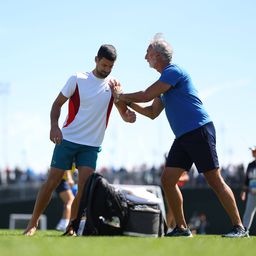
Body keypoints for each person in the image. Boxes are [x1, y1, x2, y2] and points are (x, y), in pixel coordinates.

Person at [110, 33, 248, 237]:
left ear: (157, 55)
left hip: (199, 130)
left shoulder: (173, 72)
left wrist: (121, 96)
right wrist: (127, 101)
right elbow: (151, 112)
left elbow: (147, 94)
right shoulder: (164, 83)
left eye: (148, 53)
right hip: (184, 137)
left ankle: (239, 228)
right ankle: (182, 228)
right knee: (167, 180)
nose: (145, 57)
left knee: (214, 180)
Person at [23, 44, 136, 236]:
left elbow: (123, 113)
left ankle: (72, 227)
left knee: (84, 187)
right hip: (68, 139)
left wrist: (129, 116)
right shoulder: (77, 78)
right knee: (51, 182)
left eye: (110, 67)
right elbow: (57, 104)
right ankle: (32, 225)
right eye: (104, 65)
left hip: (92, 145)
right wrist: (54, 126)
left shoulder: (115, 85)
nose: (106, 70)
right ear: (96, 60)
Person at [55, 165, 77, 231]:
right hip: (61, 181)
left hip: (61, 181)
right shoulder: (72, 157)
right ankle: (65, 223)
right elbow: (66, 166)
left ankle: (62, 224)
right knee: (70, 201)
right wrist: (69, 178)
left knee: (69, 201)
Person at [241, 146, 256, 235]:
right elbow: (247, 180)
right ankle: (245, 230)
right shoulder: (250, 165)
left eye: (254, 151)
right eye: (252, 151)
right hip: (252, 193)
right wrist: (243, 192)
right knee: (248, 212)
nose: (253, 152)